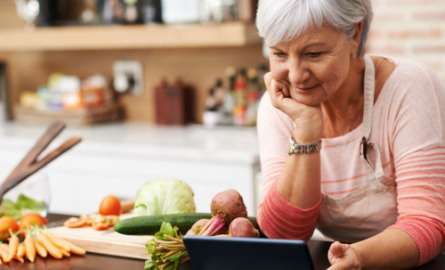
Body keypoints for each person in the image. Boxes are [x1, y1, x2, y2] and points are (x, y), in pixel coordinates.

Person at [255, 0, 445, 269]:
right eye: (279, 54)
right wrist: (307, 130)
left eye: (314, 54)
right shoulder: (278, 106)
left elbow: (427, 224)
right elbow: (284, 236)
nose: (296, 77)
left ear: (354, 34)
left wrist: (358, 257)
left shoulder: (409, 88)